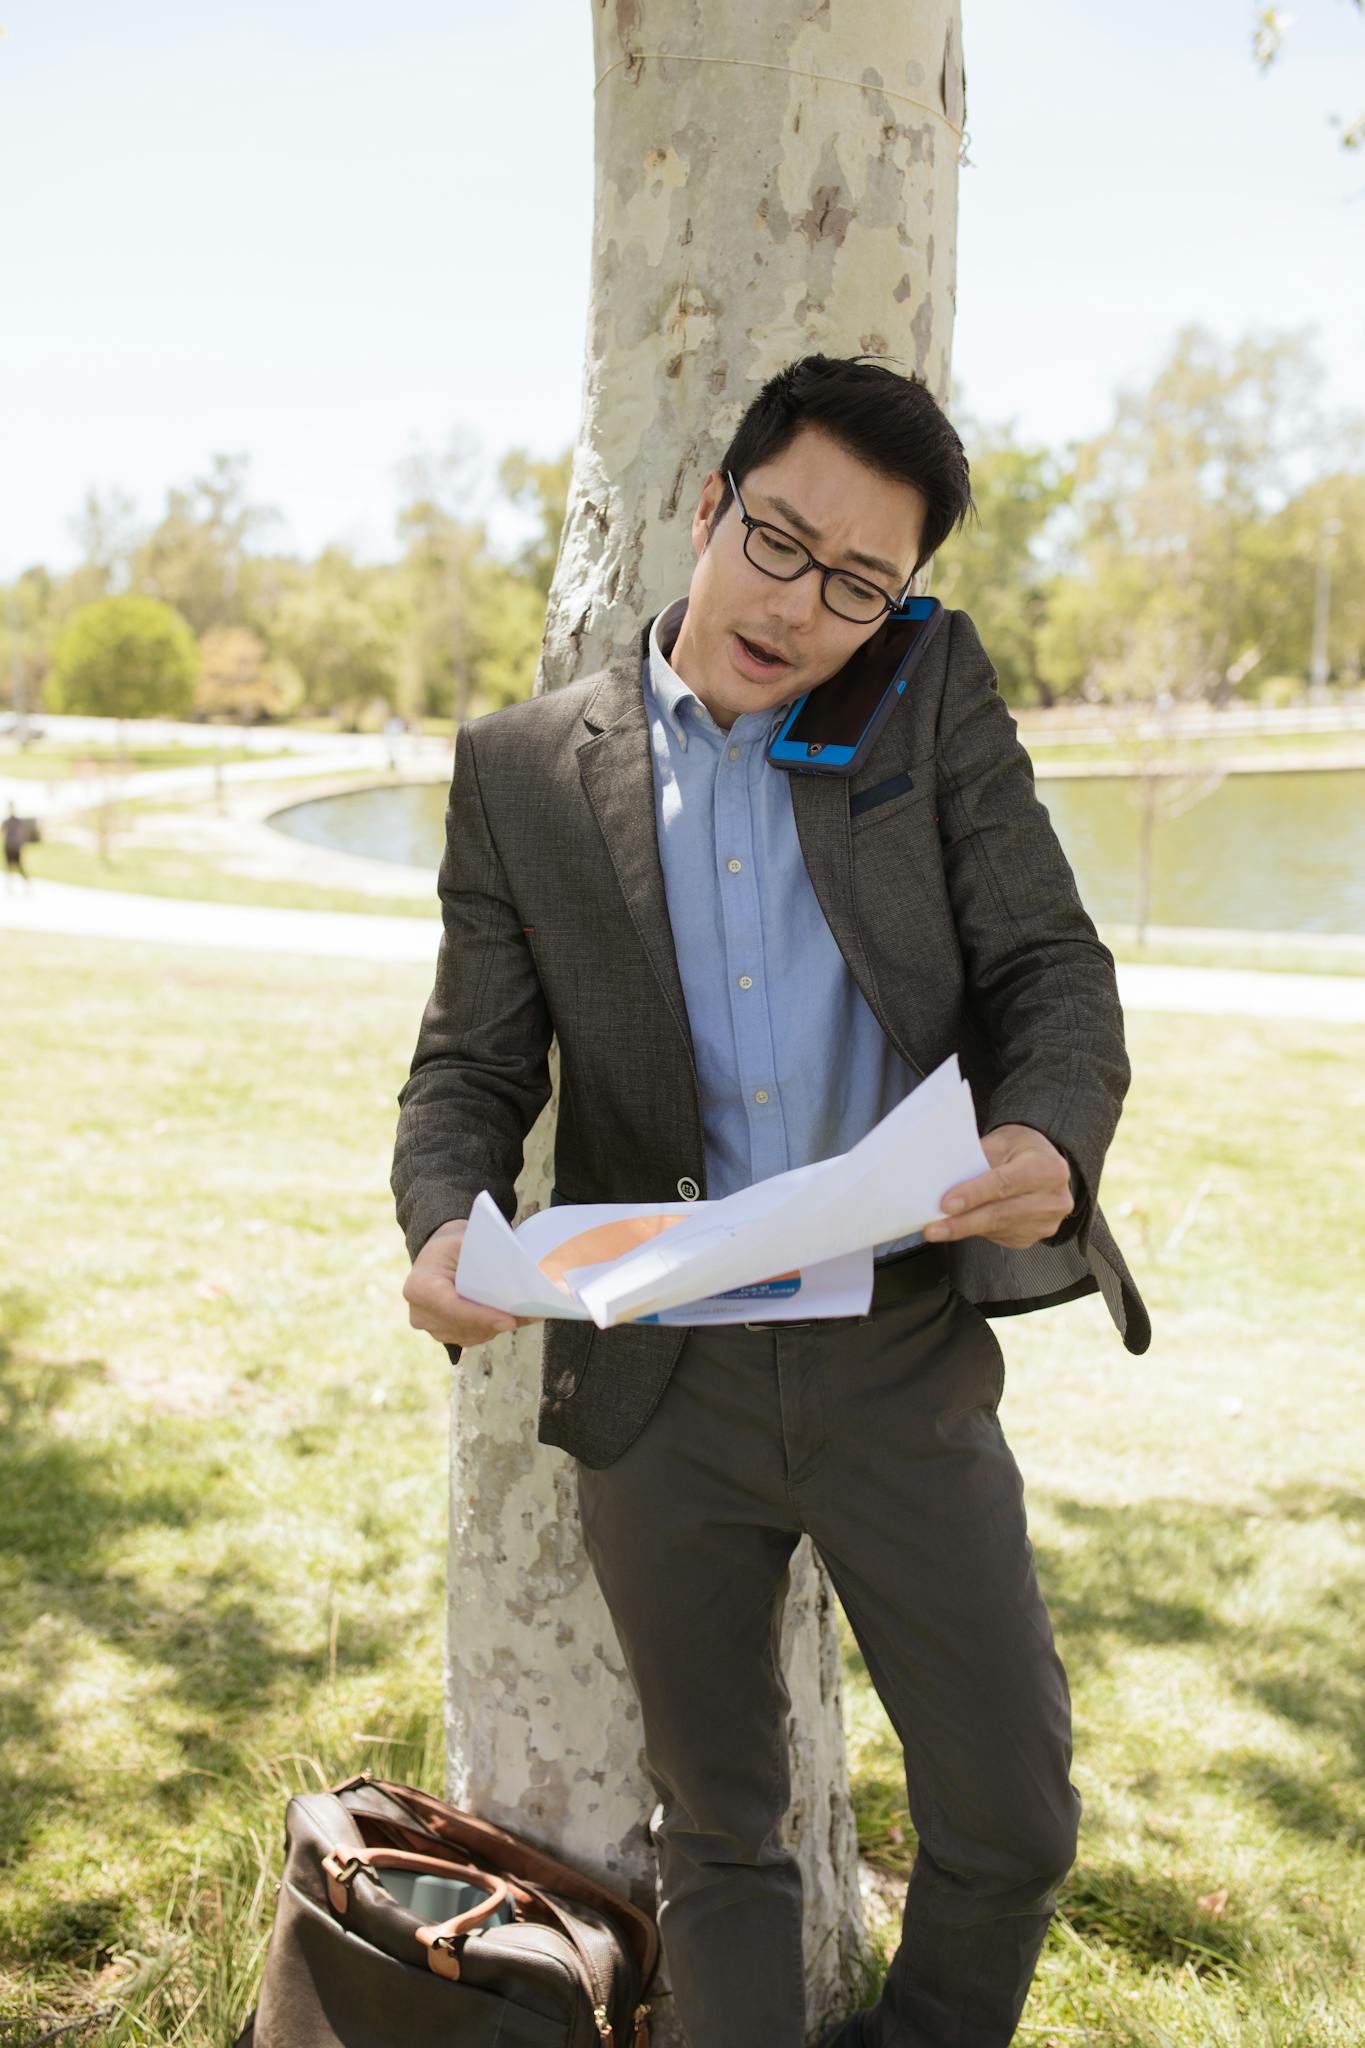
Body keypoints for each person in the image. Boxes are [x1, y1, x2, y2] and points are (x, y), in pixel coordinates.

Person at [391, 354, 1149, 2048]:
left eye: (861, 582)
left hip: (900, 1356)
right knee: (722, 1832)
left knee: (1014, 1820)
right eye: (782, 545)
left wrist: (1050, 1133)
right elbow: (468, 1072)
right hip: (663, 1379)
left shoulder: (926, 692)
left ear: (904, 598)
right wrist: (441, 1215)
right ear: (709, 506)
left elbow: (1050, 966)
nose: (806, 607)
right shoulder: (521, 772)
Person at [4, 803, 38, 891]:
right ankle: (10, 888)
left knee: (20, 867)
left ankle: (27, 884)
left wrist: (23, 846)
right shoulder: (6, 821)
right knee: (9, 868)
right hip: (8, 847)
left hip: (15, 847)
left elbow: (23, 834)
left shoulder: (18, 821)